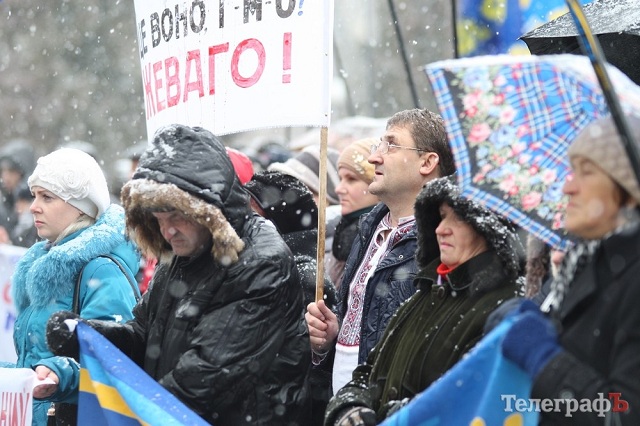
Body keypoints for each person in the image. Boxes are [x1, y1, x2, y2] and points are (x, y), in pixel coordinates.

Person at [47, 124, 312, 425]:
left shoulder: (262, 262)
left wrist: (124, 414)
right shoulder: (182, 252)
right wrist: (85, 335)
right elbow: (145, 336)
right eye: (157, 219)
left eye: (177, 216)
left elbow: (206, 378)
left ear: (209, 211)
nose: (167, 230)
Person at [325, 175, 522, 425]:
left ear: (489, 226)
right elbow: (367, 373)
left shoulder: (504, 307)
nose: (441, 228)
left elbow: (464, 401)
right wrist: (349, 408)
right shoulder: (426, 291)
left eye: (458, 217)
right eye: (441, 216)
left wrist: (382, 418)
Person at [500, 115, 640, 425]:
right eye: (571, 171)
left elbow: (623, 416)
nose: (567, 187)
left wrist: (544, 359)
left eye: (586, 173)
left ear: (630, 189)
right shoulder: (590, 261)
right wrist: (537, 321)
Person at [306, 108, 457, 395]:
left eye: (390, 144)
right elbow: (361, 332)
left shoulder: (441, 241)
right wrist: (331, 336)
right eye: (379, 144)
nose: (375, 156)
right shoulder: (370, 227)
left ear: (427, 162)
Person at [0, 147, 140, 426]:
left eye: (47, 197)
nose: (33, 206)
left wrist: (59, 374)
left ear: (81, 206)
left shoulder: (102, 271)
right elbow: (33, 365)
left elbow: (114, 363)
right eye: (35, 195)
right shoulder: (43, 264)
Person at [244, 170, 337, 426]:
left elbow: (307, 371)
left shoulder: (305, 279)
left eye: (252, 212)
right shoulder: (254, 267)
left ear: (279, 221)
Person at [325, 137, 379, 290]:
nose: (338, 189)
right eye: (341, 178)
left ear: (375, 184)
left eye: (351, 179)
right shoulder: (340, 232)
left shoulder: (382, 240)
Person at [0, 139, 36, 242]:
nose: (5, 176)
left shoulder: (39, 204)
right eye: (2, 170)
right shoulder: (5, 202)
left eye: (11, 170)